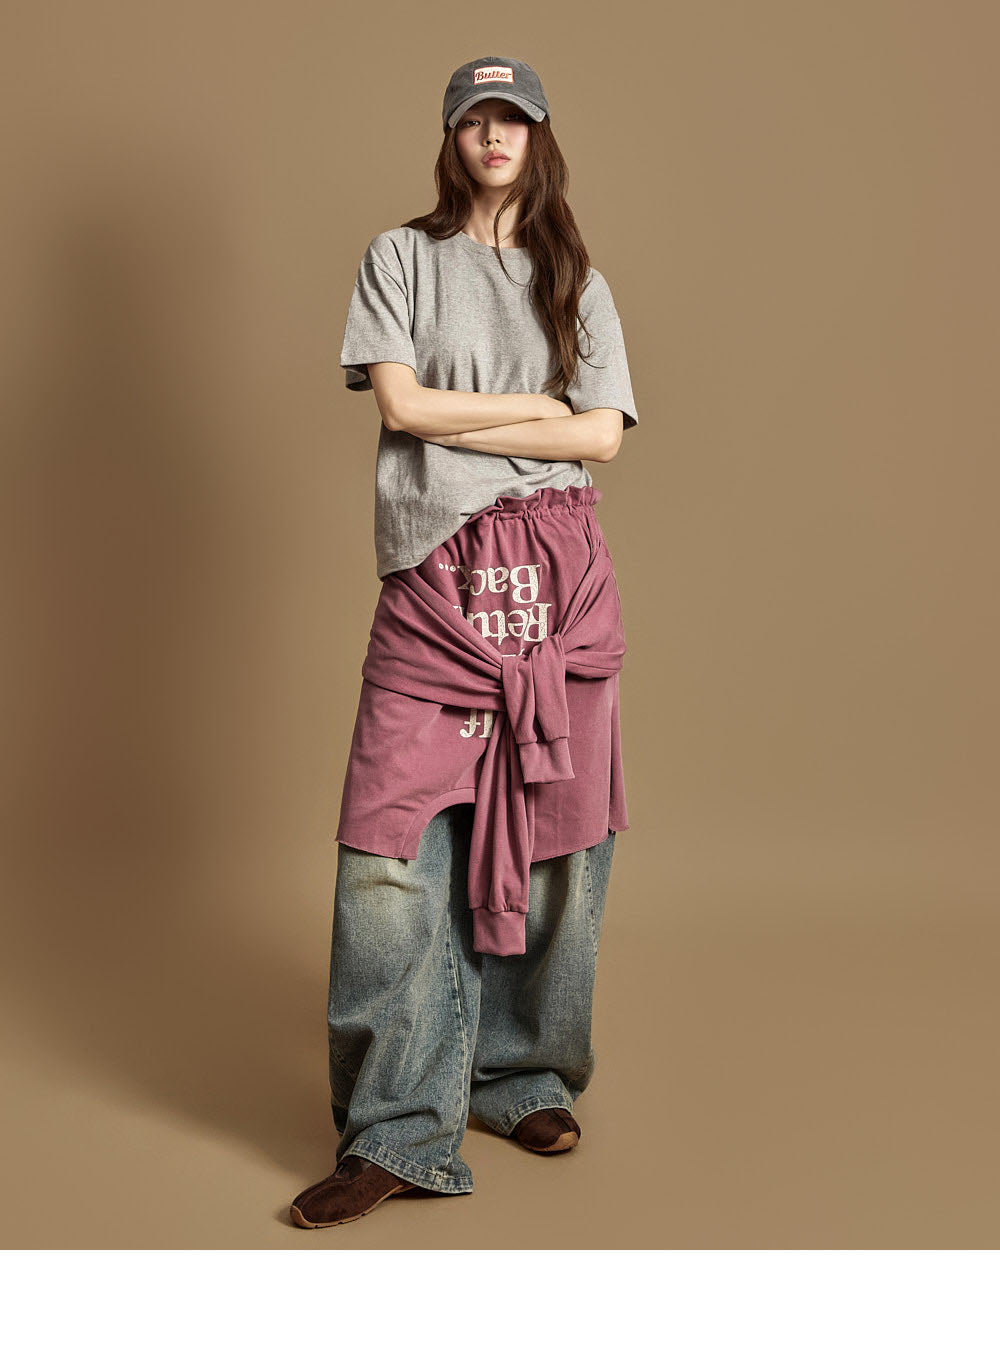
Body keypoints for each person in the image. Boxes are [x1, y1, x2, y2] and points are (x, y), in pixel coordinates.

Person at [290, 55, 639, 1229]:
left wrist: (498, 424)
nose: (495, 135)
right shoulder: (400, 258)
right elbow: (403, 405)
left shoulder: (577, 279)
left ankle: (518, 1075)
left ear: (539, 138)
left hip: (560, 583)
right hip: (436, 586)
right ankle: (395, 1130)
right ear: (451, 137)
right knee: (390, 858)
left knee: (560, 843)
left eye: (514, 119)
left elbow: (606, 438)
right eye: (475, 118)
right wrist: (540, 410)